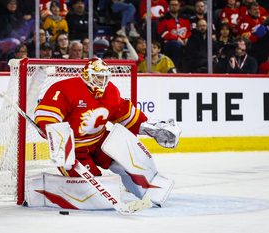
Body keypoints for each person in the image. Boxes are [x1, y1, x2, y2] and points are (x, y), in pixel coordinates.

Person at [34, 58, 180, 207]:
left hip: (99, 142)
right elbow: (48, 117)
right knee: (94, 189)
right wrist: (59, 143)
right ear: (86, 75)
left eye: (104, 77)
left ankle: (148, 188)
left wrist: (151, 129)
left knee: (128, 159)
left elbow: (125, 114)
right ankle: (46, 190)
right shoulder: (65, 89)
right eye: (97, 76)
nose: (101, 81)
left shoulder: (110, 91)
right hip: (74, 150)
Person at [157, 0, 191, 71]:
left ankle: (190, 69)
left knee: (192, 44)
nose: (174, 6)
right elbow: (163, 33)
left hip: (184, 41)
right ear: (169, 7)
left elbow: (188, 31)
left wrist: (186, 38)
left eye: (176, 5)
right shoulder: (163, 18)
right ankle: (175, 68)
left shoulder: (185, 18)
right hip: (169, 43)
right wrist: (177, 38)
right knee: (177, 44)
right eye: (172, 5)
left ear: (179, 6)